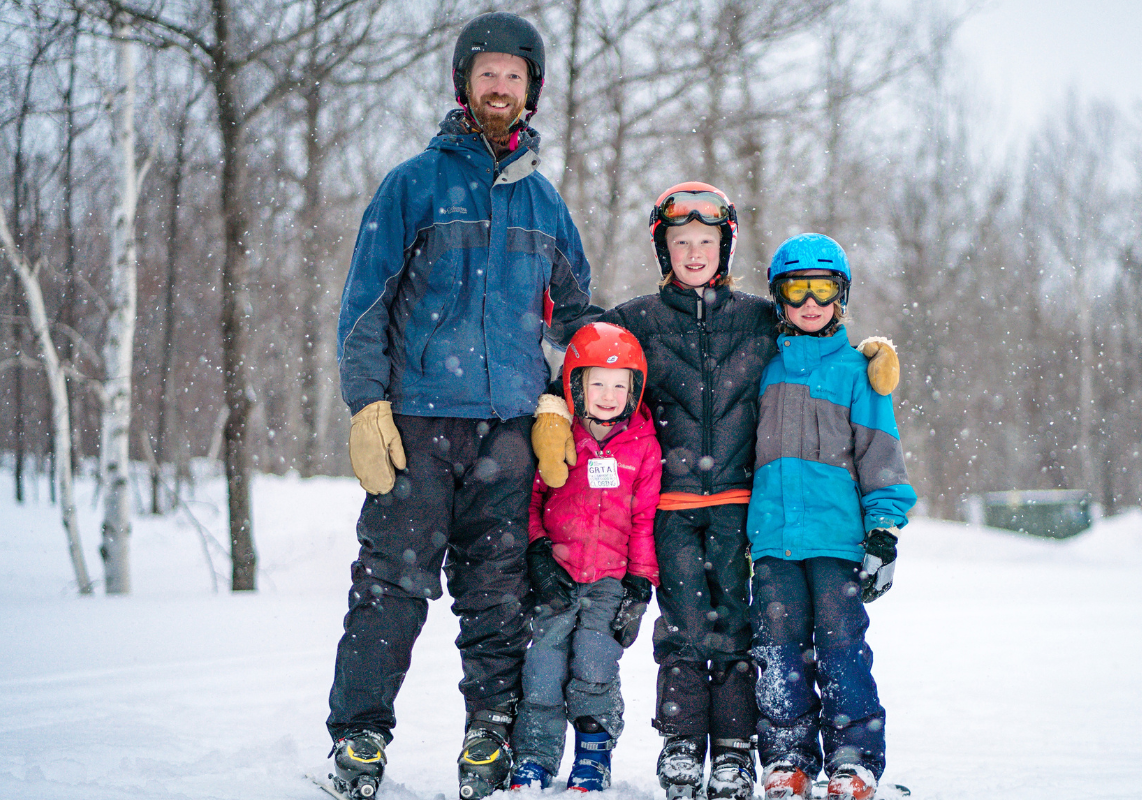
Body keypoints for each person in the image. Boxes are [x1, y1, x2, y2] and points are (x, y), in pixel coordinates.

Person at [529, 184, 901, 799]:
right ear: (664, 249)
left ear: (724, 246)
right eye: (681, 242)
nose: (694, 252)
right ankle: (680, 742)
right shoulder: (636, 321)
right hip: (668, 505)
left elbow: (813, 342)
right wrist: (550, 408)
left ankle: (733, 749)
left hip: (737, 505)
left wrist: (870, 352)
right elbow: (580, 355)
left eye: (705, 240)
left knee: (735, 627)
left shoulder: (757, 318)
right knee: (679, 628)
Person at [326, 11, 598, 800]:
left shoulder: (545, 204)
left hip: (508, 430)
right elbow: (365, 303)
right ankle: (361, 736)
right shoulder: (414, 184)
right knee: (391, 587)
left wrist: (560, 399)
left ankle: (490, 735)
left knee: (498, 594)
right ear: (463, 83)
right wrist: (366, 403)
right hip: (417, 425)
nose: (499, 86)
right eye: (487, 73)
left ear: (532, 91)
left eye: (514, 75)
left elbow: (577, 322)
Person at [746, 233, 917, 800]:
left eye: (824, 289)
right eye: (798, 290)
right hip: (771, 542)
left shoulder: (858, 372)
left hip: (838, 544)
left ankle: (852, 756)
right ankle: (786, 755)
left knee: (843, 648)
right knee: (776, 650)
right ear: (779, 297)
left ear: (841, 297)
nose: (811, 302)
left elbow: (880, 455)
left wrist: (883, 533)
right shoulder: (763, 369)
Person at [507, 322, 662, 793]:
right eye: (597, 383)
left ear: (635, 389)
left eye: (620, 385)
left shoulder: (644, 446)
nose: (609, 395)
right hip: (557, 575)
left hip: (610, 581)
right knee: (543, 671)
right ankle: (534, 757)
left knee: (594, 667)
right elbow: (530, 502)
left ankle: (593, 757)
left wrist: (640, 584)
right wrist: (538, 552)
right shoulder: (557, 437)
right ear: (575, 383)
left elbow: (643, 521)